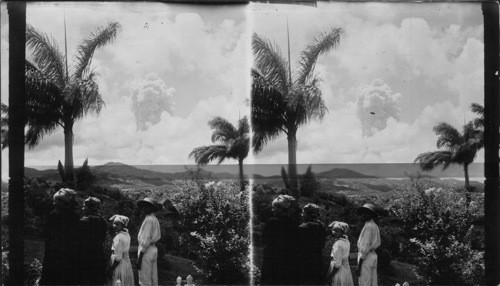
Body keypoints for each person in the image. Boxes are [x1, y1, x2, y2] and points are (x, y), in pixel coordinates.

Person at [39, 188, 80, 285]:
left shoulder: (54, 215)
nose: (53, 203)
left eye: (55, 201)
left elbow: (45, 234)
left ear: (62, 202)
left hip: (53, 254)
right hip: (70, 254)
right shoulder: (75, 216)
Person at [260, 194, 299, 285]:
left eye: (274, 208)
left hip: (271, 259)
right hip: (286, 260)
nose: (272, 209)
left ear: (280, 209)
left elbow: (264, 240)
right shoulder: (292, 223)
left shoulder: (272, 221)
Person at [78, 197, 108, 285]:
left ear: (89, 208)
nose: (83, 208)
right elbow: (103, 238)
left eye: (84, 206)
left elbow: (79, 242)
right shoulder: (102, 221)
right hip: (98, 256)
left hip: (85, 257)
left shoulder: (83, 222)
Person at [297, 203, 326, 285]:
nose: (301, 215)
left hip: (305, 262)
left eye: (303, 213)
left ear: (307, 214)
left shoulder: (303, 228)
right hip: (318, 260)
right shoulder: (321, 226)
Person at [137, 197, 162, 286]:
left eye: (147, 207)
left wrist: (140, 257)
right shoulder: (153, 219)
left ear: (152, 208)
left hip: (146, 250)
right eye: (143, 206)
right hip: (153, 249)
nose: (144, 208)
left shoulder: (149, 220)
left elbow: (146, 239)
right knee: (153, 276)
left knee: (145, 277)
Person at [356, 203, 381, 286]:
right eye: (362, 213)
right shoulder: (374, 225)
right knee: (372, 281)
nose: (362, 215)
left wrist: (359, 265)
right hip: (372, 255)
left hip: (366, 257)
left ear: (370, 214)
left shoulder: (369, 227)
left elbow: (366, 246)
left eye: (365, 213)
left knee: (364, 282)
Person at [107, 214, 135, 286]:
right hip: (126, 263)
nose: (114, 226)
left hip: (118, 265)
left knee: (117, 281)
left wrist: (111, 269)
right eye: (114, 224)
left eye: (117, 224)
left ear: (123, 226)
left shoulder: (118, 237)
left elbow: (118, 257)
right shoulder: (127, 235)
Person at [327, 221, 353, 286]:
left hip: (338, 272)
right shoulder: (346, 241)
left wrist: (330, 276)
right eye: (333, 230)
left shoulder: (338, 244)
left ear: (342, 232)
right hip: (346, 270)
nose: (333, 232)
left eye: (336, 231)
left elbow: (337, 264)